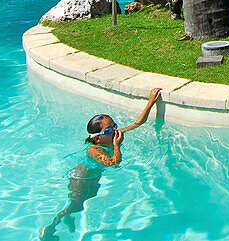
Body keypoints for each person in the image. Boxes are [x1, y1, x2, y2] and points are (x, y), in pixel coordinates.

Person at [40, 88, 162, 239]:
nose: (116, 130)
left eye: (114, 126)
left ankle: (69, 218)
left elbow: (136, 124)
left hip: (93, 175)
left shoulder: (110, 136)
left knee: (91, 196)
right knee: (76, 204)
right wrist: (117, 146)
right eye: (111, 128)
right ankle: (51, 228)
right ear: (98, 138)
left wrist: (150, 103)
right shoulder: (94, 150)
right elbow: (113, 163)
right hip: (80, 179)